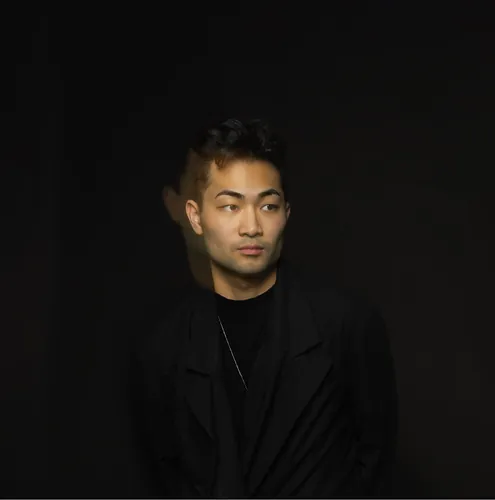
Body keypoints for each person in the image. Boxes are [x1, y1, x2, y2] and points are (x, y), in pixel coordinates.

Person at [131, 118, 398, 498]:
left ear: (286, 213)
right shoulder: (163, 345)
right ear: (195, 216)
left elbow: (376, 458)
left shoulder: (347, 323)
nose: (252, 226)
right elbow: (161, 472)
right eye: (230, 206)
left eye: (268, 206)